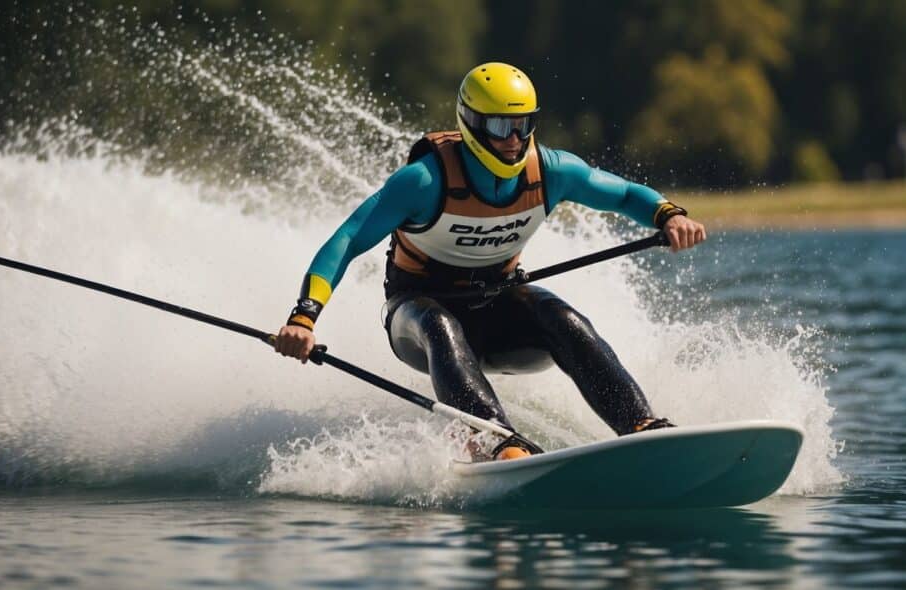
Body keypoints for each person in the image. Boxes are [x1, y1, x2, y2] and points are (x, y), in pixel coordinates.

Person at [274, 62, 706, 461]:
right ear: (472, 124)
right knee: (439, 325)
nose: (514, 140)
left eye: (524, 125)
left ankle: (641, 426)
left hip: (497, 314)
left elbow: (626, 193)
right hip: (417, 319)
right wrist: (304, 318)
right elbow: (347, 240)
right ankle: (496, 442)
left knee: (560, 315)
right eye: (501, 127)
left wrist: (668, 214)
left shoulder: (552, 171)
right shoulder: (424, 181)